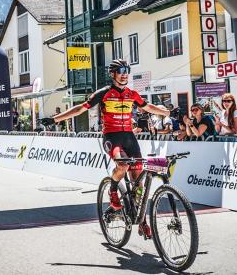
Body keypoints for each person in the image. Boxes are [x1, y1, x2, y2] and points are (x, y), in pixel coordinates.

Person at [52, 59, 169, 239]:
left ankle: (142, 220)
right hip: (111, 137)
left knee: (140, 183)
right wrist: (55, 119)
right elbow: (79, 109)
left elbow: (147, 107)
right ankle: (113, 191)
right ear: (112, 74)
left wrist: (166, 112)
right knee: (122, 166)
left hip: (130, 137)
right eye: (121, 70)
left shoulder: (132, 93)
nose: (124, 74)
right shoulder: (103, 93)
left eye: (127, 70)